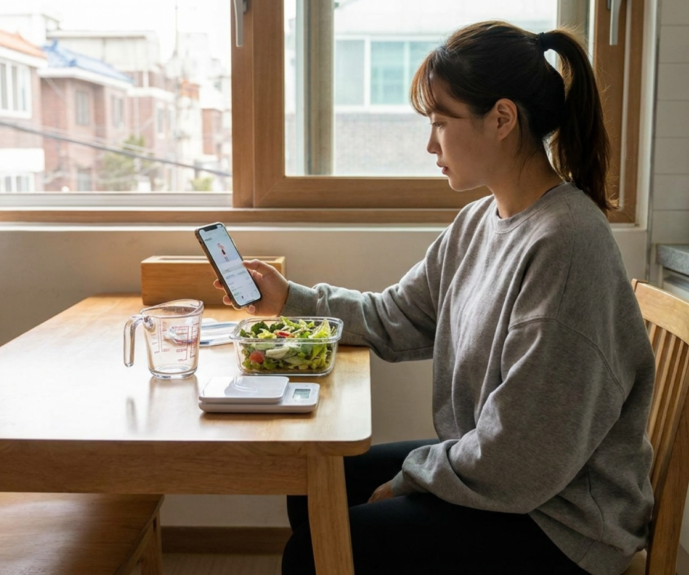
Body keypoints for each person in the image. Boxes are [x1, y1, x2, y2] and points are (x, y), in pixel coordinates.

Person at [214, 21, 655, 575]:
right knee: (314, 481)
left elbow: (523, 455)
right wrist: (290, 300)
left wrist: (411, 481)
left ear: (502, 119)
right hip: (510, 476)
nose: (430, 144)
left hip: (562, 521)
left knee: (312, 552)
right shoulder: (478, 222)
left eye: (441, 122)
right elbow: (395, 316)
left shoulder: (566, 244)